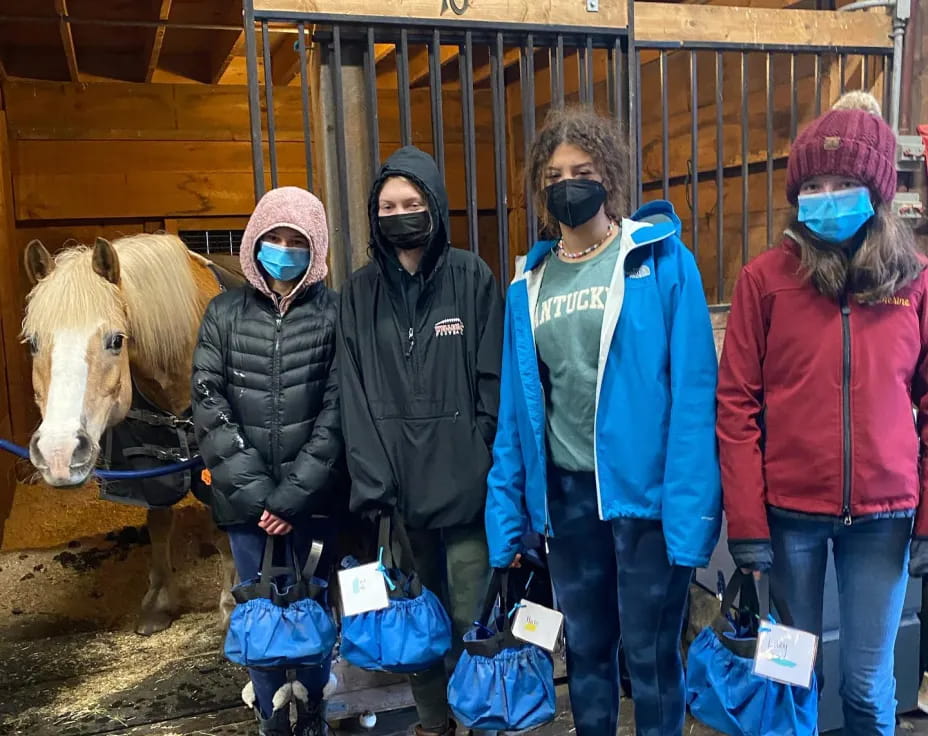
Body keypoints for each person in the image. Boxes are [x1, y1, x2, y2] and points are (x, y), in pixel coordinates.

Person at [485, 107, 721, 736]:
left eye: (582, 171)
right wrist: (508, 514)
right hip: (566, 498)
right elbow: (516, 411)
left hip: (644, 500)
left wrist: (692, 509)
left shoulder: (663, 262)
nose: (568, 184)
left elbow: (695, 394)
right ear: (541, 187)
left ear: (608, 175)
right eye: (555, 175)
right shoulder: (527, 285)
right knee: (586, 653)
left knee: (649, 658)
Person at [717, 91, 928, 736]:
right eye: (814, 183)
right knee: (792, 676)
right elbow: (737, 406)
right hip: (790, 521)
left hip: (885, 520)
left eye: (844, 182)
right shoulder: (764, 279)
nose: (828, 195)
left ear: (878, 192)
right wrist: (748, 525)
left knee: (868, 687)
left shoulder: (913, 282)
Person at [337, 145, 503, 736]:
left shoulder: (471, 276)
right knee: (414, 625)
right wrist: (375, 484)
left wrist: (478, 455)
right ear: (375, 214)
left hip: (465, 493)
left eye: (411, 202)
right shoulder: (356, 295)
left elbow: (492, 380)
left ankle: (480, 717)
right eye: (388, 205)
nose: (400, 213)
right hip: (396, 501)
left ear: (433, 207)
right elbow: (351, 395)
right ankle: (434, 724)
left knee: (467, 615)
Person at [192, 186, 343, 736]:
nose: (283, 250)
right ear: (254, 241)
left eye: (296, 241)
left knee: (312, 610)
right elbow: (208, 402)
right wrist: (260, 497)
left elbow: (339, 409)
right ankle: (270, 716)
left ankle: (316, 713)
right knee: (258, 613)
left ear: (316, 248)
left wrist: (292, 495)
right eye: (273, 238)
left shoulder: (334, 314)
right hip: (246, 507)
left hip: (315, 500)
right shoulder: (223, 313)